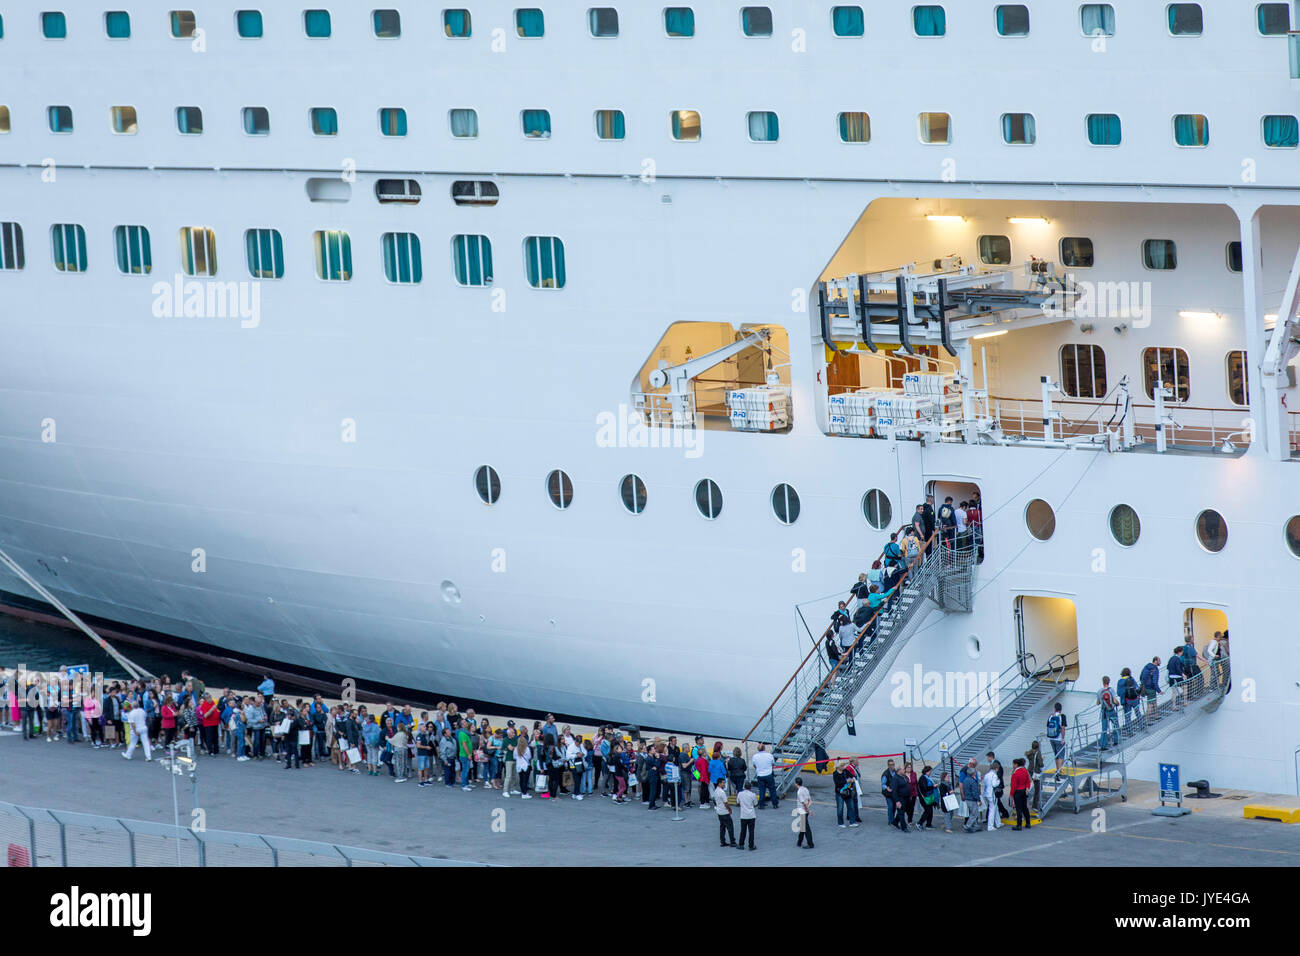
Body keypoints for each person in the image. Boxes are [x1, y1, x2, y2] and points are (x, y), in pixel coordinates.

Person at [1116, 667, 1141, 736]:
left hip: (1126, 701)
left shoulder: (1120, 681)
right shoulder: (1131, 679)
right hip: (1135, 699)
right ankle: (1142, 726)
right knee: (1138, 712)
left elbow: (1118, 692)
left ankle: (1130, 732)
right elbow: (1137, 688)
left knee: (1127, 716)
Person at [1097, 676, 1120, 750]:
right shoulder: (1111, 690)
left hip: (1104, 711)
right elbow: (1114, 700)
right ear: (1109, 682)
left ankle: (1103, 745)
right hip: (1112, 710)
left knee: (1104, 728)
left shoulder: (1099, 691)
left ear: (1102, 682)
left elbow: (1097, 703)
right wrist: (1118, 704)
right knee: (1115, 725)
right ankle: (1116, 741)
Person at [752, 743, 778, 809]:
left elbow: (754, 765)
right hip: (769, 774)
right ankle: (775, 804)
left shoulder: (755, 756)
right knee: (772, 789)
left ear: (758, 749)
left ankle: (761, 804)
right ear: (764, 748)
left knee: (762, 790)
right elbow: (773, 764)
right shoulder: (769, 755)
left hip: (760, 775)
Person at [958, 759, 981, 833]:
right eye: (974, 765)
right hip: (972, 798)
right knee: (974, 813)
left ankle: (975, 826)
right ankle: (967, 826)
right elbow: (974, 792)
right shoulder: (971, 780)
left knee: (972, 812)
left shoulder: (966, 780)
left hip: (968, 798)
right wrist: (978, 799)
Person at [714, 779, 738, 848]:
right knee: (730, 827)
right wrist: (729, 809)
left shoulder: (716, 791)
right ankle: (732, 841)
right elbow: (726, 803)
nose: (724, 784)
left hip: (719, 812)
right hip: (724, 812)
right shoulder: (722, 792)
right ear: (719, 784)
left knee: (722, 827)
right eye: (723, 783)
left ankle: (722, 841)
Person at [1010, 758, 1032, 830]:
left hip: (1018, 791)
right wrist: (1027, 788)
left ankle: (1019, 825)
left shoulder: (1015, 773)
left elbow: (1014, 786)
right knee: (1025, 807)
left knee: (1019, 809)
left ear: (1016, 765)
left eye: (1013, 764)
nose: (1012, 765)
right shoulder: (1025, 771)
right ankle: (1028, 823)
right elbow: (1028, 781)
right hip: (1024, 790)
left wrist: (1011, 794)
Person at [1046, 702, 1067, 778]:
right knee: (1061, 754)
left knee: (1056, 754)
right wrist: (1063, 739)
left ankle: (1057, 769)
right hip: (1058, 738)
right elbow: (1063, 728)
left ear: (1054, 708)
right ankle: (1059, 771)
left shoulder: (1051, 716)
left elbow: (1047, 727)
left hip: (1051, 738)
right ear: (1061, 709)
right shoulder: (1062, 716)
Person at [1140, 656, 1162, 726]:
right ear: (1155, 661)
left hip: (1145, 688)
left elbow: (1141, 677)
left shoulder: (1146, 667)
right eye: (1159, 661)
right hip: (1151, 689)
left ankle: (1156, 716)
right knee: (1150, 704)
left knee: (1154, 702)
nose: (1160, 662)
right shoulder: (1155, 669)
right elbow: (1154, 681)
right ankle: (1147, 721)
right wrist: (1159, 691)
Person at [890, 766, 913, 833]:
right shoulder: (895, 779)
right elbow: (894, 791)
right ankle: (904, 827)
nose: (904, 770)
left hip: (906, 797)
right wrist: (897, 801)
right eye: (903, 769)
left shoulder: (903, 776)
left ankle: (895, 822)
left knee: (902, 811)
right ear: (899, 770)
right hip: (900, 798)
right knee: (901, 812)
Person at [737, 780, 758, 850]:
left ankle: (741, 844)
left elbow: (738, 802)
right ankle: (751, 845)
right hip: (751, 815)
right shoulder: (753, 795)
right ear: (750, 787)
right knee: (751, 831)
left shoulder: (740, 794)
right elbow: (755, 804)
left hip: (743, 815)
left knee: (743, 830)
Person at [982, 760, 1003, 831]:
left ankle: (998, 823)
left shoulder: (986, 775)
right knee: (992, 809)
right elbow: (994, 784)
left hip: (986, 793)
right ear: (996, 769)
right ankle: (990, 826)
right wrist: (998, 781)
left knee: (995, 808)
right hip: (992, 794)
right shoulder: (994, 775)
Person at [794, 776, 814, 849]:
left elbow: (803, 803)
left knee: (806, 828)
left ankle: (810, 843)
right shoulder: (805, 789)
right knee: (803, 826)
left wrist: (808, 810)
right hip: (805, 810)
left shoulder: (799, 792)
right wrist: (808, 809)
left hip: (803, 811)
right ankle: (799, 842)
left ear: (796, 784)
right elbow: (810, 800)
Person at [1024, 741, 1044, 812]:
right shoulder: (1038, 753)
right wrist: (1042, 759)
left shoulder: (1030, 753)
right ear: (1038, 746)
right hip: (1036, 772)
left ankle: (1023, 802)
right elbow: (1041, 764)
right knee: (1038, 789)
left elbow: (1032, 761)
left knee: (1026, 787)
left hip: (1030, 771)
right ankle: (1035, 806)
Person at [916, 765, 937, 830]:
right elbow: (924, 788)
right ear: (927, 771)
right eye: (930, 771)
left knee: (930, 810)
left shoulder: (926, 778)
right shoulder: (923, 778)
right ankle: (920, 823)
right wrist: (933, 786)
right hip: (924, 797)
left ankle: (928, 824)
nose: (931, 772)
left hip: (929, 797)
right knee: (928, 810)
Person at [880, 758, 899, 828]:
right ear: (888, 765)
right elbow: (883, 784)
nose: (892, 766)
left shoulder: (896, 772)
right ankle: (890, 821)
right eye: (890, 765)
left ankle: (892, 819)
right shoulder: (885, 774)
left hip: (895, 793)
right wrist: (887, 788)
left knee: (894, 807)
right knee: (890, 806)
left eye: (893, 764)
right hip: (888, 793)